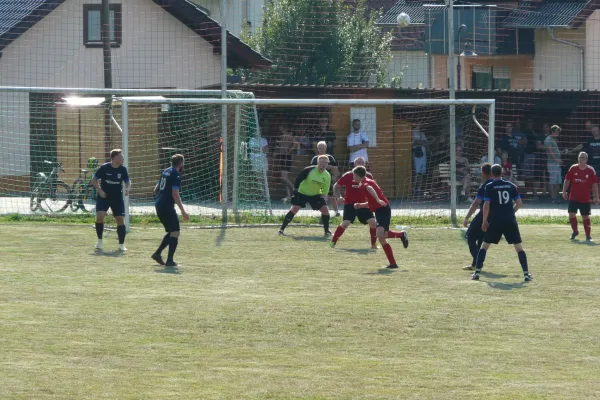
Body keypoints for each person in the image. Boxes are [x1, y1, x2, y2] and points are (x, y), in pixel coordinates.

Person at [330, 157, 408, 249]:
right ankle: (332, 244)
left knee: (373, 223)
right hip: (350, 204)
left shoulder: (368, 177)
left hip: (364, 204)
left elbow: (371, 189)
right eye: (358, 162)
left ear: (365, 166)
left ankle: (373, 245)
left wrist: (376, 200)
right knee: (345, 223)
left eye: (362, 162)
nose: (360, 164)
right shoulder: (348, 175)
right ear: (354, 166)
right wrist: (338, 197)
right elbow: (336, 186)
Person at [471, 164, 532, 282]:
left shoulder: (489, 186)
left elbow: (486, 205)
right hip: (510, 220)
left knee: (485, 246)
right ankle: (526, 274)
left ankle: (477, 273)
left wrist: (484, 221)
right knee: (519, 248)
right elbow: (519, 203)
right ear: (502, 172)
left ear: (492, 174)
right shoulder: (511, 186)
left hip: (496, 220)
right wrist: (510, 212)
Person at [352, 166, 408, 269]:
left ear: (357, 175)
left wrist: (378, 200)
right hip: (379, 210)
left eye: (353, 175)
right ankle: (393, 263)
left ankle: (401, 234)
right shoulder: (366, 181)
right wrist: (360, 205)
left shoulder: (366, 183)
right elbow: (370, 201)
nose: (353, 177)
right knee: (382, 237)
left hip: (383, 209)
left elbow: (370, 189)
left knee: (380, 235)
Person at [278, 155, 332, 236]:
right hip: (302, 193)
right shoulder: (309, 170)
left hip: (315, 195)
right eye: (322, 162)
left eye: (326, 163)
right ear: (318, 163)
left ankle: (327, 231)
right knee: (294, 209)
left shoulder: (327, 175)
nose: (323, 164)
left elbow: (325, 188)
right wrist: (295, 190)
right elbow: (298, 179)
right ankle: (281, 230)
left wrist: (324, 197)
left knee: (325, 210)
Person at [151, 154, 190, 267]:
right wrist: (183, 211)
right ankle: (169, 261)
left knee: (172, 231)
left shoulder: (166, 171)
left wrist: (158, 198)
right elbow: (175, 194)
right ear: (181, 163)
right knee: (175, 232)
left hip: (159, 205)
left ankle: (157, 254)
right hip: (167, 207)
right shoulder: (176, 175)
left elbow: (156, 188)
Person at [91, 149, 131, 252]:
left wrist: (127, 188)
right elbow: (94, 180)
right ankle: (99, 240)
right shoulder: (104, 168)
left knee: (120, 219)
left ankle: (121, 244)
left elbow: (127, 181)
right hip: (104, 196)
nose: (123, 158)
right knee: (99, 216)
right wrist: (99, 190)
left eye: (122, 157)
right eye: (121, 157)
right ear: (114, 158)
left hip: (117, 198)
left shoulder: (123, 169)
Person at [562, 152, 599, 242]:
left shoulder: (591, 170)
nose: (581, 159)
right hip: (573, 197)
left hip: (585, 198)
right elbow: (567, 180)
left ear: (586, 159)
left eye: (583, 157)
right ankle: (575, 232)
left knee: (585, 216)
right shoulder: (573, 168)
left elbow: (594, 184)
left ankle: (588, 236)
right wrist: (564, 191)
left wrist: (596, 196)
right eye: (579, 157)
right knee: (571, 214)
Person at [462, 163, 493, 270]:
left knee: (470, 238)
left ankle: (478, 262)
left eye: (481, 171)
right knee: (480, 239)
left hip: (483, 214)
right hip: (494, 217)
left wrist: (466, 218)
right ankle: (475, 264)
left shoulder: (484, 186)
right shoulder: (499, 184)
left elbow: (476, 203)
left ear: (484, 173)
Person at [311, 141, 340, 216]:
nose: (321, 149)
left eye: (323, 148)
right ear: (317, 149)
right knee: (320, 196)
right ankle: (323, 213)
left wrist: (334, 178)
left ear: (326, 148)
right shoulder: (315, 158)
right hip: (318, 181)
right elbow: (312, 169)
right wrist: (328, 167)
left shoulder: (330, 157)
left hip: (328, 180)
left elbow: (335, 168)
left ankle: (336, 212)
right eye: (320, 148)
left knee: (332, 196)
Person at [274, 123, 299, 203]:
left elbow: (295, 143)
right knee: (284, 178)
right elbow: (278, 146)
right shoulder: (280, 136)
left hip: (286, 157)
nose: (279, 129)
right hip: (281, 156)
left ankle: (296, 191)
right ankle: (288, 196)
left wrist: (289, 151)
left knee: (283, 177)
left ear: (283, 128)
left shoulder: (289, 136)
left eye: (280, 127)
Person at [545, 125, 563, 203]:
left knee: (557, 181)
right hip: (552, 163)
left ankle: (556, 197)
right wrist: (557, 160)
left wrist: (562, 152)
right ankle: (552, 198)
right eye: (557, 131)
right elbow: (550, 152)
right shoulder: (548, 139)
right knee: (552, 181)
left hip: (557, 164)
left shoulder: (554, 139)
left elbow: (556, 152)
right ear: (553, 131)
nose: (558, 133)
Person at [412, 123, 428, 197]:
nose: (421, 124)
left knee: (421, 172)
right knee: (416, 172)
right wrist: (420, 142)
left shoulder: (422, 133)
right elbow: (414, 142)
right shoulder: (412, 132)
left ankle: (418, 189)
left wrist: (419, 141)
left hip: (423, 154)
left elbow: (426, 142)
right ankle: (413, 189)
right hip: (417, 155)